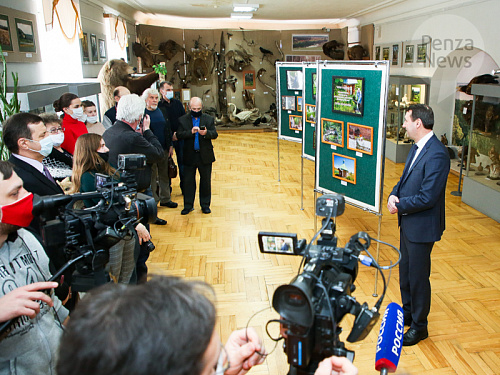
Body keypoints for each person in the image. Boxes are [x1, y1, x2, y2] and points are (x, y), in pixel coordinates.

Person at [387, 104, 450, 346]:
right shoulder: (417, 148)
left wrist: (399, 205)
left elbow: (428, 197)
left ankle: (420, 327)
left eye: (406, 120)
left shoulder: (437, 154)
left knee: (418, 278)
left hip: (422, 228)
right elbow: (405, 180)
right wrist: (394, 194)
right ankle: (409, 314)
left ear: (418, 124)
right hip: (408, 224)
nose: (402, 124)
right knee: (406, 274)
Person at [0, 160, 69, 375]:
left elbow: (53, 306)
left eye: (23, 187)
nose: (27, 196)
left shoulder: (26, 238)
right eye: (15, 193)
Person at [70, 133, 151, 284]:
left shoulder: (107, 169)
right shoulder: (87, 177)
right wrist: (135, 224)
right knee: (115, 277)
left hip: (123, 229)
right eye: (101, 146)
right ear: (90, 151)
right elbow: (107, 207)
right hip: (109, 234)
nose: (106, 149)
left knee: (127, 275)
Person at [103, 94, 166, 282]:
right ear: (139, 117)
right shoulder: (132, 137)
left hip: (120, 196)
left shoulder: (109, 133)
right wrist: (146, 131)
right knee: (139, 248)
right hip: (133, 198)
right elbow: (157, 154)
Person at [3, 112, 63, 197]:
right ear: (24, 143)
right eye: (42, 135)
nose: (49, 137)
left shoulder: (36, 166)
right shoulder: (18, 178)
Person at [177, 97, 218, 215]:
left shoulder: (208, 119)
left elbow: (214, 134)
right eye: (194, 108)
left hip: (204, 155)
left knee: (205, 181)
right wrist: (190, 132)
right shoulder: (182, 120)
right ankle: (188, 205)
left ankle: (205, 205)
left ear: (202, 108)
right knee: (188, 182)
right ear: (189, 108)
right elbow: (179, 134)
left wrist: (206, 133)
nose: (196, 110)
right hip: (189, 155)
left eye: (199, 108)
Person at [142, 88, 177, 208]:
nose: (154, 100)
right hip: (150, 150)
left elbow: (168, 129)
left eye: (156, 98)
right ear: (146, 100)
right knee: (152, 176)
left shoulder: (162, 111)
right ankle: (154, 201)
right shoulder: (142, 114)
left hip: (163, 148)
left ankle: (165, 199)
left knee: (164, 174)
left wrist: (170, 145)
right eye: (151, 98)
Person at [158, 81, 186, 194]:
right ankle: (167, 190)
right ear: (161, 91)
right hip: (166, 139)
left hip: (179, 137)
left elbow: (183, 120)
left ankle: (185, 187)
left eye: (171, 90)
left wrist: (177, 134)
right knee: (167, 163)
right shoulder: (159, 106)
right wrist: (169, 137)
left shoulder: (177, 103)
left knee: (183, 163)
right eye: (168, 90)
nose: (170, 92)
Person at [40, 112, 73, 182]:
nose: (58, 132)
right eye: (53, 130)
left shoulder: (64, 150)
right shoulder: (46, 156)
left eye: (59, 129)